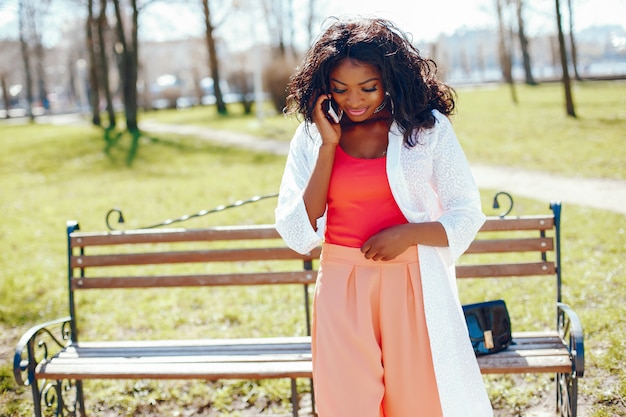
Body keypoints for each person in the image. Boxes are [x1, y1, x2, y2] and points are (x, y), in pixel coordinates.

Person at [275, 16, 493, 417]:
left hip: (412, 285)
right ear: (325, 88)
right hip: (341, 287)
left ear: (390, 78)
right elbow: (297, 231)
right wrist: (328, 146)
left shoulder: (425, 129)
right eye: (340, 90)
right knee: (348, 407)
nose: (354, 101)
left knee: (417, 406)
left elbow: (466, 212)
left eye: (367, 88)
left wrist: (409, 234)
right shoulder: (311, 136)